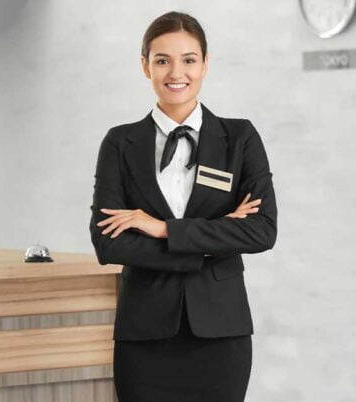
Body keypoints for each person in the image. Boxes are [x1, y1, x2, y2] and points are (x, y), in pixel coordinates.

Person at [88, 10, 278, 402]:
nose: (177, 72)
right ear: (145, 66)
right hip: (144, 335)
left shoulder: (240, 138)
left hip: (221, 334)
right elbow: (109, 243)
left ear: (205, 64)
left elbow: (261, 231)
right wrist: (213, 240)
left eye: (189, 59)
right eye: (162, 60)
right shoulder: (120, 143)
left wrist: (162, 229)